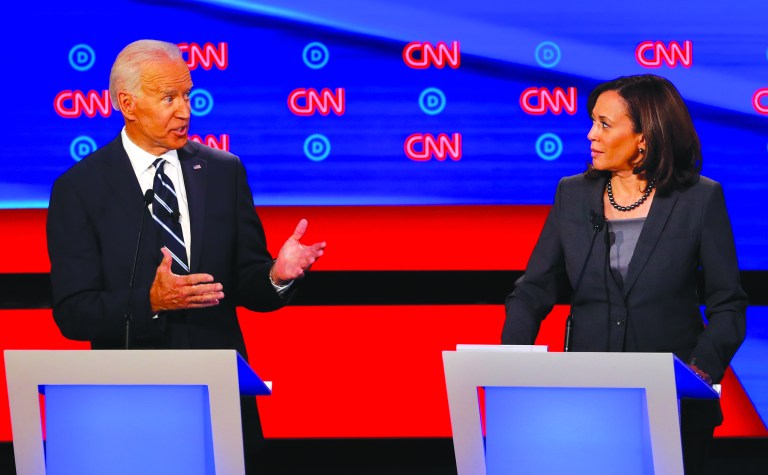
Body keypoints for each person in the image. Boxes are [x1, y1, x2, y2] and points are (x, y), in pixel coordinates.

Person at [46, 39, 326, 473]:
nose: (184, 110)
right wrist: (151, 301)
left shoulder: (223, 171)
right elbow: (73, 312)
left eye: (187, 95)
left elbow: (247, 282)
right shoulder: (80, 188)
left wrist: (277, 274)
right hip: (131, 402)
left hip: (218, 399)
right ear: (128, 104)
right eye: (168, 98)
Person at [501, 74, 747, 474]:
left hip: (674, 407)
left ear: (643, 138)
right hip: (588, 404)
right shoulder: (572, 195)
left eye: (604, 124)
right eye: (592, 122)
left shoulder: (699, 199)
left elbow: (728, 306)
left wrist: (697, 372)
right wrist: (510, 364)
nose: (591, 135)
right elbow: (532, 292)